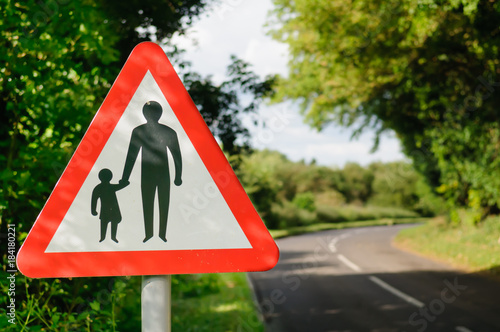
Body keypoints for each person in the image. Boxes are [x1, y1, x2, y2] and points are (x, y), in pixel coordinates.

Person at [120, 101, 182, 242]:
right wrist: (178, 176)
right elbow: (131, 156)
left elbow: (176, 155)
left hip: (155, 175)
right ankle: (155, 234)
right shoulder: (159, 131)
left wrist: (125, 178)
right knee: (158, 203)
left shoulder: (147, 131)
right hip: (154, 174)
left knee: (155, 203)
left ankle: (158, 234)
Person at [91, 168, 129, 243]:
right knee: (105, 223)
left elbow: (94, 200)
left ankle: (112, 237)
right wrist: (93, 210)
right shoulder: (100, 188)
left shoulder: (101, 187)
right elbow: (94, 200)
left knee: (110, 222)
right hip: (107, 209)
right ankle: (103, 237)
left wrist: (93, 210)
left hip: (111, 209)